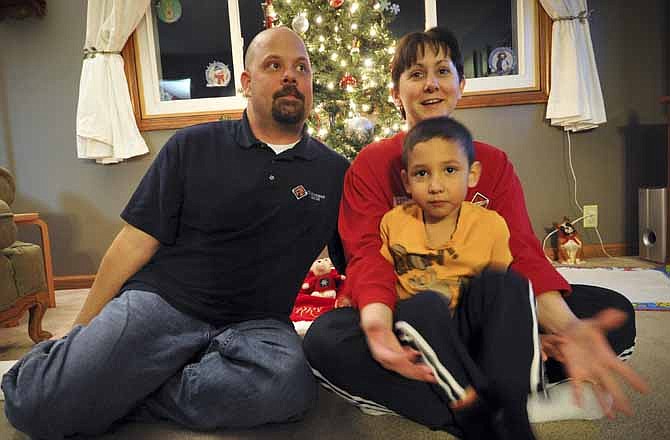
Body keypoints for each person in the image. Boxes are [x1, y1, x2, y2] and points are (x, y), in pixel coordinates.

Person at [2, 27, 349, 439]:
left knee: (287, 386)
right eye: (274, 65)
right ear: (246, 82)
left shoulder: (335, 172)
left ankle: (131, 390)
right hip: (163, 304)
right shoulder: (191, 146)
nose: (290, 76)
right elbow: (133, 242)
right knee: (33, 403)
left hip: (258, 324)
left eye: (301, 68)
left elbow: (357, 260)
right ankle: (86, 370)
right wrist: (83, 326)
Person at [303, 26, 648, 437]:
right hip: (412, 317)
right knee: (324, 340)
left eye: (442, 71)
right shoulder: (372, 164)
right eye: (415, 74)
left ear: (460, 86)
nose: (431, 83)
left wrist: (568, 327)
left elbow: (521, 253)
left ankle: (453, 392)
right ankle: (506, 402)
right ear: (396, 93)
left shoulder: (493, 164)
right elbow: (367, 257)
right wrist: (378, 329)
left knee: (615, 312)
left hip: (485, 313)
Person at [380, 115, 540, 438]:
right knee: (420, 304)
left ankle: (510, 404)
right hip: (426, 335)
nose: (436, 185)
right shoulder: (393, 222)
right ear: (407, 181)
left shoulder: (491, 224)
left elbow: (502, 300)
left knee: (508, 284)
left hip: (472, 331)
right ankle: (470, 405)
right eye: (422, 174)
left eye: (450, 170)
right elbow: (382, 280)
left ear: (473, 174)